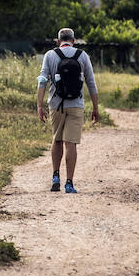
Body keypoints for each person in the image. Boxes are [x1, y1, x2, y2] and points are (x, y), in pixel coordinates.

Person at [36, 27, 99, 193]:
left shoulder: (50, 55)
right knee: (71, 143)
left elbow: (42, 80)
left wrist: (39, 105)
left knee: (57, 140)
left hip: (56, 104)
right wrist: (95, 107)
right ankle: (69, 183)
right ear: (74, 40)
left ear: (58, 41)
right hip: (76, 105)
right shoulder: (82, 56)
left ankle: (55, 176)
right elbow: (91, 82)